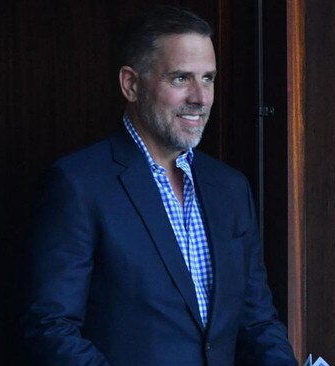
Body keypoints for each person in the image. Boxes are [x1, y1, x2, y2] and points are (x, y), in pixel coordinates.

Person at [23, 5, 297, 366]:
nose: (200, 98)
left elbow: (258, 322)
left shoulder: (230, 188)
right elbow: (51, 327)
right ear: (131, 84)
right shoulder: (79, 184)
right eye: (181, 78)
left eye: (208, 78)